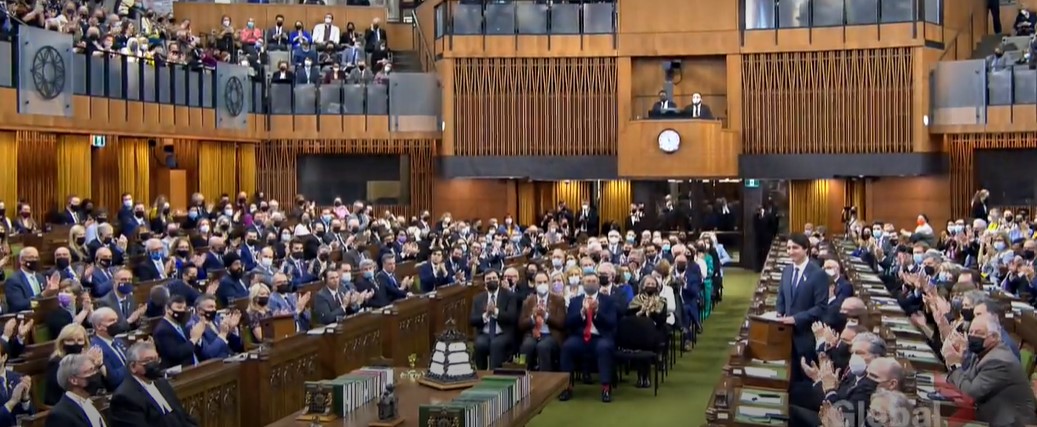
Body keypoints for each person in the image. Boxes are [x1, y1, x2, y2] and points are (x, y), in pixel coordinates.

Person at [943, 314, 1037, 426]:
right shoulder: (982, 353)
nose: (972, 336)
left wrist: (955, 365)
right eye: (971, 332)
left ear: (994, 336)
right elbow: (968, 380)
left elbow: (971, 394)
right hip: (989, 413)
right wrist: (960, 361)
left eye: (978, 333)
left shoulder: (999, 361)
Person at [776, 233, 829, 380]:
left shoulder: (818, 274)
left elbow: (821, 308)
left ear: (806, 249)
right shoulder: (787, 271)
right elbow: (781, 297)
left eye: (795, 248)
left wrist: (795, 319)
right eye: (788, 248)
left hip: (806, 337)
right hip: (785, 335)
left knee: (802, 379)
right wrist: (779, 312)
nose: (790, 251)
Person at [558, 273, 618, 403]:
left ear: (598, 283)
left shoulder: (608, 300)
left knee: (604, 348)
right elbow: (568, 323)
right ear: (583, 284)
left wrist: (596, 313)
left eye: (593, 281)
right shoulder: (575, 301)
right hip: (580, 337)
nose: (590, 283)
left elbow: (611, 323)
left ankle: (606, 388)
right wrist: (582, 313)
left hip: (600, 337)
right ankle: (566, 387)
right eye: (587, 281)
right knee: (567, 347)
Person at [109, 341, 198, 427]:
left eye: (156, 359)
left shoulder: (162, 383)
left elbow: (183, 416)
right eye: (148, 360)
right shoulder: (125, 397)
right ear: (133, 367)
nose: (154, 364)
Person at [469, 270, 517, 370]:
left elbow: (512, 317)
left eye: (494, 278)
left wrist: (495, 311)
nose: (492, 281)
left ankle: (494, 374)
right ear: (484, 282)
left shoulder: (509, 296)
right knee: (480, 344)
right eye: (489, 279)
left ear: (499, 280)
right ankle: (481, 374)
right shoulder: (478, 298)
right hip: (485, 333)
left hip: (503, 333)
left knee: (496, 345)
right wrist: (485, 315)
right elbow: (472, 320)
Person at [517, 272, 565, 372]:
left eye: (545, 282)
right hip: (533, 334)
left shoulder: (558, 300)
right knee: (527, 346)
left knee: (543, 347)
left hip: (550, 335)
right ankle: (524, 378)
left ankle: (545, 380)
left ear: (549, 283)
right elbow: (521, 325)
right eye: (539, 282)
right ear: (534, 284)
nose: (542, 285)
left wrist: (546, 316)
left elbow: (561, 323)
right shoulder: (528, 301)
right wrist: (532, 318)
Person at [45, 354, 106, 427]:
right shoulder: (60, 415)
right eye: (90, 371)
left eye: (95, 369)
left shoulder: (89, 403)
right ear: (74, 380)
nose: (95, 373)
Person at [0, 340, 34, 427]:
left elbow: (31, 415)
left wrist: (25, 399)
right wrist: (12, 402)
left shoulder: (18, 378)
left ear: (4, 357)